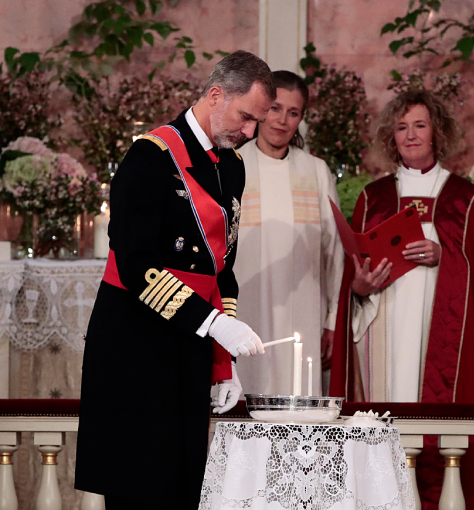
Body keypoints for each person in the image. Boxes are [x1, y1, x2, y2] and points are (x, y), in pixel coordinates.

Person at [75, 51, 275, 510]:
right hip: (136, 349)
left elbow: (221, 270)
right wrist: (214, 325)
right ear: (216, 94)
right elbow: (136, 265)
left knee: (184, 491)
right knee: (139, 491)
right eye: (247, 117)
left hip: (188, 349)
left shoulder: (232, 167)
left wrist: (223, 362)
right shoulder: (150, 157)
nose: (250, 133)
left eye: (256, 123)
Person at [329, 89, 474, 510]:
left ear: (437, 132)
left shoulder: (464, 199)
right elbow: (353, 279)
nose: (411, 135)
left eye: (420, 125)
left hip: (441, 340)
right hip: (385, 332)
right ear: (391, 138)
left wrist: (447, 256)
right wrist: (360, 289)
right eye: (401, 128)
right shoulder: (373, 197)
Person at [234, 70, 343, 396]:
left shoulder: (315, 171)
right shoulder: (233, 165)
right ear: (261, 109)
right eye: (275, 108)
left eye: (293, 112)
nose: (282, 120)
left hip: (303, 317)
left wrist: (332, 320)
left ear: (301, 119)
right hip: (245, 312)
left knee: (299, 404)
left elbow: (335, 251)